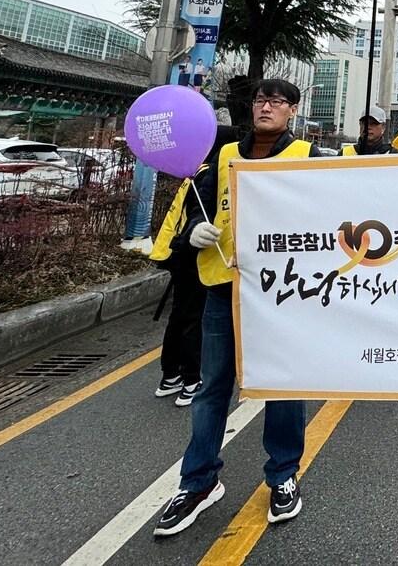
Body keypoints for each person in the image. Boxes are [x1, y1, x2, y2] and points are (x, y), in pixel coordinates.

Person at [153, 79, 315, 538]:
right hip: (224, 288)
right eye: (261, 100)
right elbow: (196, 211)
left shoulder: (307, 156)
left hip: (283, 291)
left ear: (292, 111)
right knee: (211, 387)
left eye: (277, 101)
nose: (266, 107)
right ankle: (198, 483)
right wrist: (195, 232)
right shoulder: (223, 156)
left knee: (284, 384)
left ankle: (283, 474)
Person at [149, 125, 239, 407]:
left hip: (177, 251)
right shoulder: (207, 174)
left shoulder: (196, 171)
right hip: (193, 254)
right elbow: (197, 216)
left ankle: (170, 375)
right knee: (193, 318)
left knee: (180, 316)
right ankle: (191, 380)